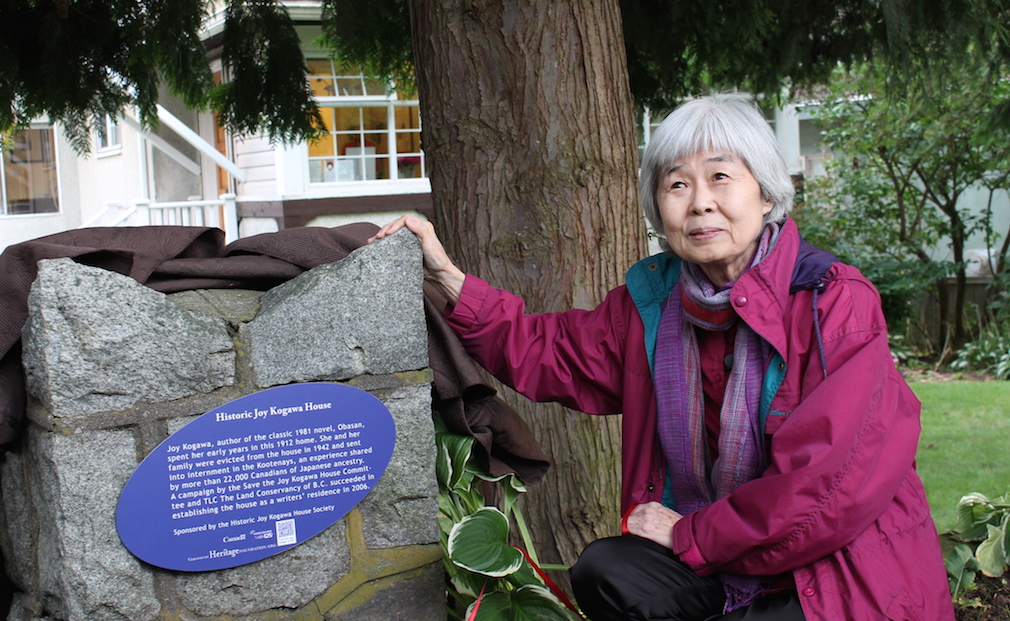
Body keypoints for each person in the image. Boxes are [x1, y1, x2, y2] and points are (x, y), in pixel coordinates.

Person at [370, 93, 954, 620]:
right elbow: (548, 352)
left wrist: (692, 536)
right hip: (715, 548)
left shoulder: (833, 302)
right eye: (677, 184)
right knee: (608, 572)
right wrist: (451, 283)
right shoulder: (651, 307)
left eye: (721, 177)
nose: (700, 204)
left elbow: (829, 489)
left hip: (831, 565)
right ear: (658, 207)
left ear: (767, 192)